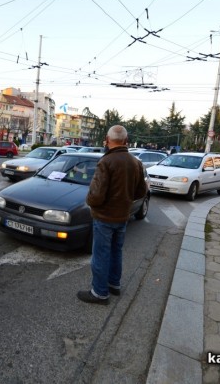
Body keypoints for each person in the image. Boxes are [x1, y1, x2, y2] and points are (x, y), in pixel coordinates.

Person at [77, 125, 148, 305]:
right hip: (123, 216)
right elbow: (141, 192)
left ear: (107, 141)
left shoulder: (106, 162)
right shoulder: (135, 162)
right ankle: (113, 285)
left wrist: (90, 200)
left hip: (104, 218)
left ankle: (99, 293)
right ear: (126, 141)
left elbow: (96, 196)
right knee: (116, 252)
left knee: (101, 254)